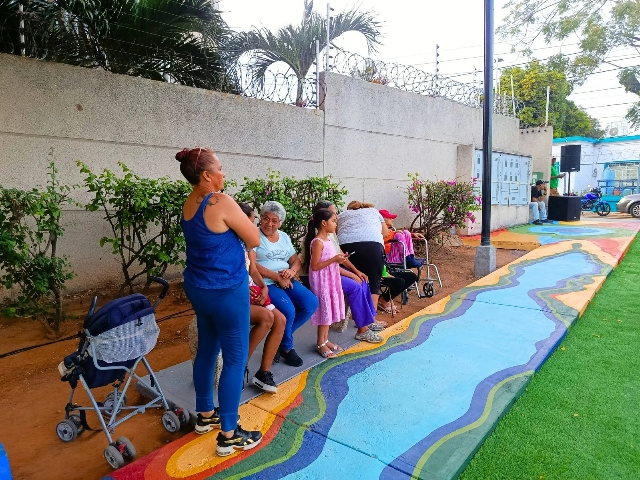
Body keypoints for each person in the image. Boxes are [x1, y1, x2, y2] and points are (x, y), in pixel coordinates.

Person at [176, 147, 262, 457]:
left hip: (198, 288)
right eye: (220, 168)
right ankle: (229, 434)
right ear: (207, 175)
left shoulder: (189, 203)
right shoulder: (221, 201)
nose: (224, 173)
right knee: (235, 359)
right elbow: (254, 239)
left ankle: (205, 415)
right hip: (226, 291)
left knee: (208, 350)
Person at [254, 201, 319, 367]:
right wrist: (277, 277)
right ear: (260, 218)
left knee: (311, 303)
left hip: (286, 279)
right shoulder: (254, 235)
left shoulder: (283, 236)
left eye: (274, 220)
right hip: (266, 282)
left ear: (280, 222)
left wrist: (292, 271)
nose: (269, 223)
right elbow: (252, 265)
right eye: (266, 218)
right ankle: (287, 347)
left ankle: (280, 338)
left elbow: (295, 260)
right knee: (288, 310)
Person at [313, 201, 383, 343]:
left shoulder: (330, 234)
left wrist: (356, 271)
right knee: (355, 286)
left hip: (332, 271)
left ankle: (368, 321)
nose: (337, 218)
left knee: (363, 280)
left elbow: (339, 256)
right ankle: (362, 330)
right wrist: (351, 274)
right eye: (334, 216)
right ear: (324, 220)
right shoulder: (317, 239)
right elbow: (322, 265)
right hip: (325, 276)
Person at [237, 202, 285, 394]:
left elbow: (253, 270)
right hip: (236, 295)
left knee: (281, 320)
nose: (254, 225)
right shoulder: (229, 243)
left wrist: (264, 287)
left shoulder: (247, 243)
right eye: (251, 221)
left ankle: (263, 372)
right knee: (267, 317)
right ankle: (241, 367)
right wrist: (242, 288)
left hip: (253, 291)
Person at [303, 208, 347, 358]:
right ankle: (320, 343)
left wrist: (339, 259)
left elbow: (329, 261)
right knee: (324, 312)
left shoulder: (328, 240)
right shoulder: (318, 242)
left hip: (331, 281)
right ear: (323, 223)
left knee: (328, 312)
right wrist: (334, 259)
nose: (336, 224)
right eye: (333, 221)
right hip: (322, 283)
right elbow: (315, 266)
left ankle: (325, 339)